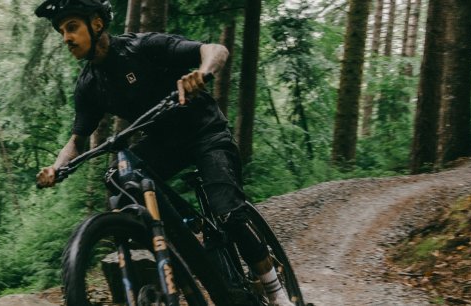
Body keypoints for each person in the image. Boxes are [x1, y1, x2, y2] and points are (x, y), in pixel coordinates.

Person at [32, 0, 294, 305]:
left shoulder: (142, 47)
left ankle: (274, 289)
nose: (65, 37)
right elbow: (76, 141)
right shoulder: (90, 85)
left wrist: (202, 73)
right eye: (61, 31)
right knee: (119, 172)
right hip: (164, 144)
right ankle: (178, 231)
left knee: (229, 214)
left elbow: (215, 50)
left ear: (97, 24)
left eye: (72, 27)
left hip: (204, 131)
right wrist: (55, 168)